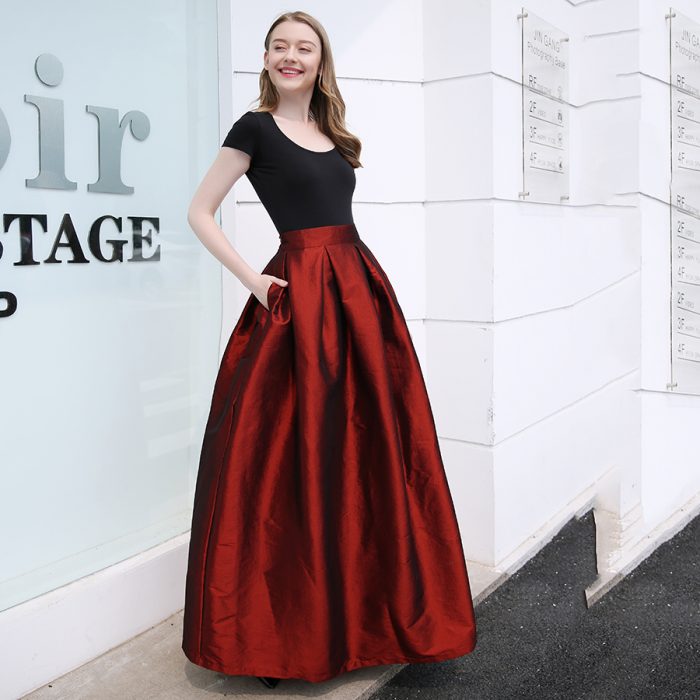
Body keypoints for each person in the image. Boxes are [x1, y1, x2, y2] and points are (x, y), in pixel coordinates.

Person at [181, 10, 477, 689]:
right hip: (301, 301)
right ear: (264, 58)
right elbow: (199, 210)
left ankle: (369, 618)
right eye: (280, 46)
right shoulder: (253, 128)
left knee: (364, 453)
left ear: (320, 61)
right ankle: (284, 638)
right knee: (292, 460)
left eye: (304, 47)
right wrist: (254, 280)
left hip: (357, 296)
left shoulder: (332, 133)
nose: (291, 56)